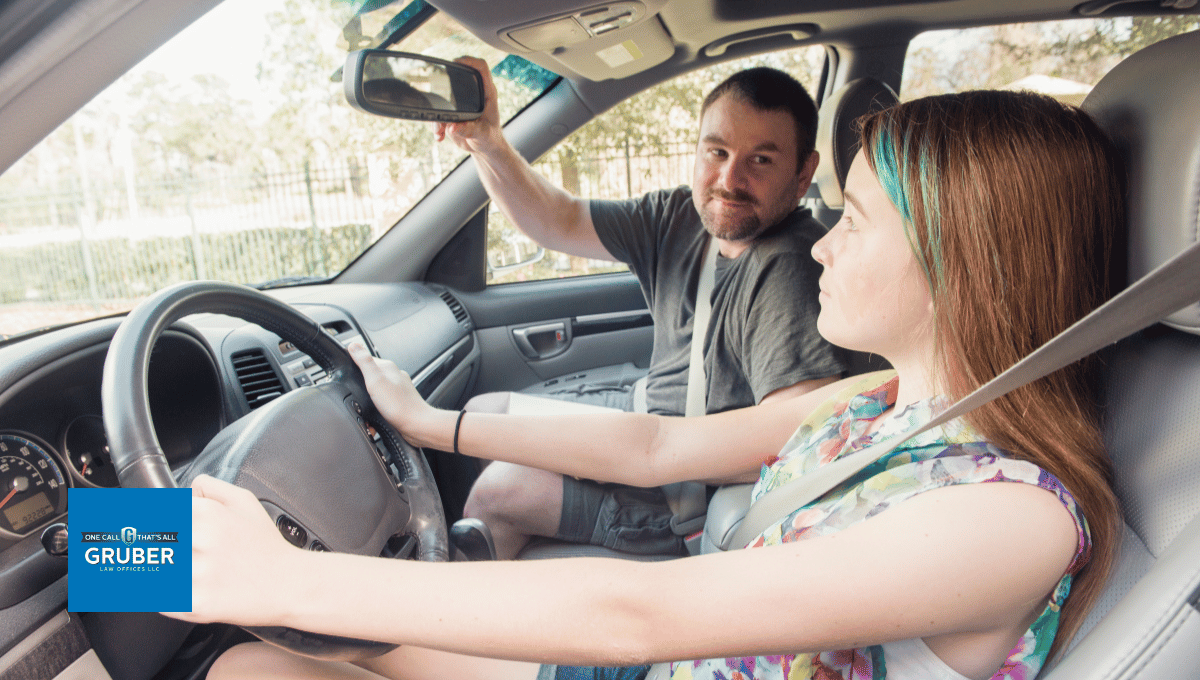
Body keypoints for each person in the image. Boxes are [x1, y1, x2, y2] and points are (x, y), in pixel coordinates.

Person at [174, 90, 1123, 680]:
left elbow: (639, 616)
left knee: (255, 661)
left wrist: (289, 572)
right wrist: (433, 422)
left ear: (969, 266)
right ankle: (84, 539)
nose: (823, 243)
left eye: (857, 221)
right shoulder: (873, 405)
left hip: (655, 649)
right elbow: (656, 447)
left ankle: (102, 557)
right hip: (673, 664)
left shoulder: (1010, 517)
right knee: (238, 621)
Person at [443, 59, 846, 559]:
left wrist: (632, 454)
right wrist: (487, 141)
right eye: (716, 152)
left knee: (495, 493)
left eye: (761, 160)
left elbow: (796, 438)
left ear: (803, 172)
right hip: (642, 421)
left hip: (681, 493)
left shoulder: (789, 271)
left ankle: (466, 630)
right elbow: (559, 220)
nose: (729, 179)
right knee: (484, 417)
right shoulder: (683, 216)